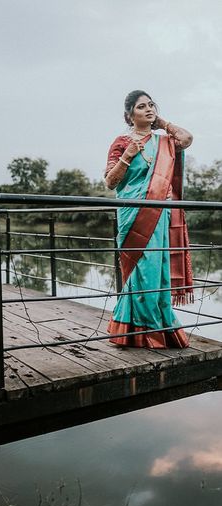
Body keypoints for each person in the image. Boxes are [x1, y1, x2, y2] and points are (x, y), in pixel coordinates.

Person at [104, 90, 194, 349]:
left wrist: (163, 123)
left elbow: (186, 138)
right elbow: (111, 182)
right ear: (129, 114)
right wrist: (128, 155)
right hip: (133, 216)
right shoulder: (121, 142)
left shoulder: (164, 141)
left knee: (158, 270)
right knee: (140, 271)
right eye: (141, 106)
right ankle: (138, 330)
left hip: (159, 216)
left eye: (151, 105)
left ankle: (155, 326)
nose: (148, 109)